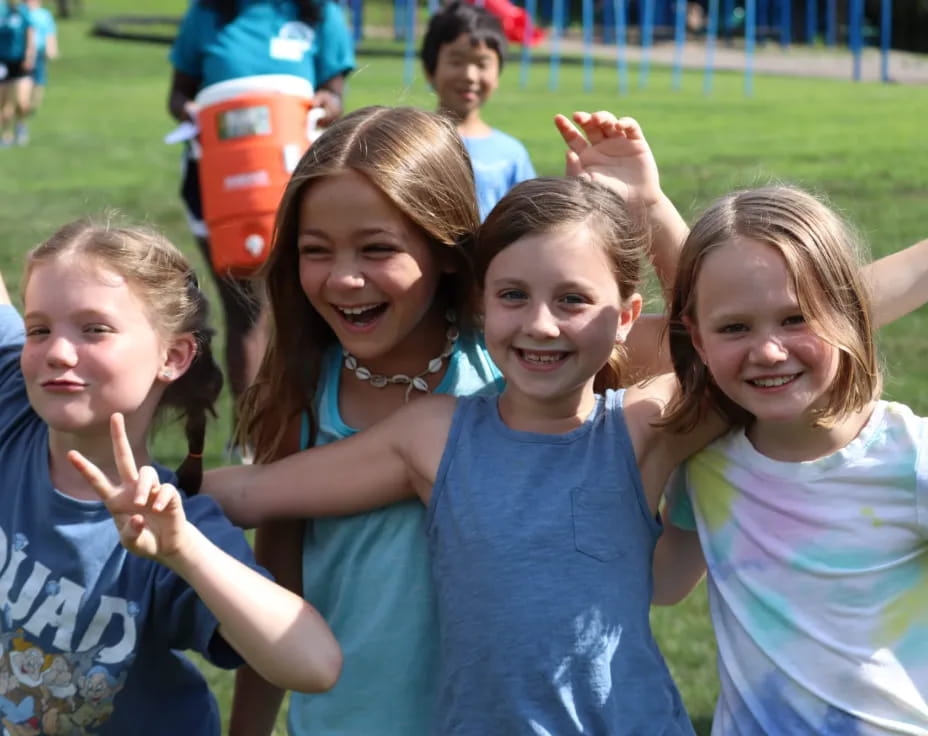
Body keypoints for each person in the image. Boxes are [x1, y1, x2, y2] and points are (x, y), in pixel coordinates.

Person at [196, 168, 735, 733]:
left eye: (572, 300)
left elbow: (723, 344)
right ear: (482, 304)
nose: (540, 324)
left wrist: (650, 206)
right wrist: (126, 490)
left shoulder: (638, 428)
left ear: (625, 317)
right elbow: (255, 490)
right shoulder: (435, 437)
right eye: (513, 296)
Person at [0, 219, 341, 734]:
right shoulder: (13, 400)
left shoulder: (168, 521)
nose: (57, 352)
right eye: (39, 328)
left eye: (95, 329)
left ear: (173, 356)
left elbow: (314, 665)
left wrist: (184, 551)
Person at [225, 105, 503, 736]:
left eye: (378, 249)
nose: (345, 279)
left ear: (450, 250)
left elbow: (696, 343)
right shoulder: (302, 388)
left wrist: (646, 208)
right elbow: (278, 595)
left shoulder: (513, 373)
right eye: (315, 251)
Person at [654, 186, 928, 733]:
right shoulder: (705, 464)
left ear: (850, 315)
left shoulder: (911, 458)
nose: (769, 350)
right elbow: (662, 582)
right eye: (735, 327)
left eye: (796, 318)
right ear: (699, 340)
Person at [168, 0, 355, 453]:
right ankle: (252, 435)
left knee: (302, 306)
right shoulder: (209, 13)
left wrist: (327, 102)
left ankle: (306, 424)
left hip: (294, 179)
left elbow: (333, 92)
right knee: (246, 309)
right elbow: (177, 96)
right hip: (221, 184)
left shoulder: (319, 13)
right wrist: (195, 112)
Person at [421, 0, 535, 220]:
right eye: (456, 62)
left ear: (498, 73)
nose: (469, 76)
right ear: (430, 69)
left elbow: (527, 225)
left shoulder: (511, 155)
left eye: (482, 64)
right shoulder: (412, 144)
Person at [0, 0, 34, 146]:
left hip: (20, 62)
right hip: (2, 62)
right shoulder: (1, 10)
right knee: (3, 104)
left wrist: (29, 56)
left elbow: (30, 34)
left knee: (22, 102)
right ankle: (6, 135)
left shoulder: (23, 12)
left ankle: (21, 124)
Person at [24, 0, 57, 129]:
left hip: (39, 52)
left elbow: (50, 32)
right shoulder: (21, 12)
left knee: (38, 81)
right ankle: (23, 104)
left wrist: (52, 48)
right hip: (23, 52)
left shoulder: (44, 14)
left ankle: (32, 107)